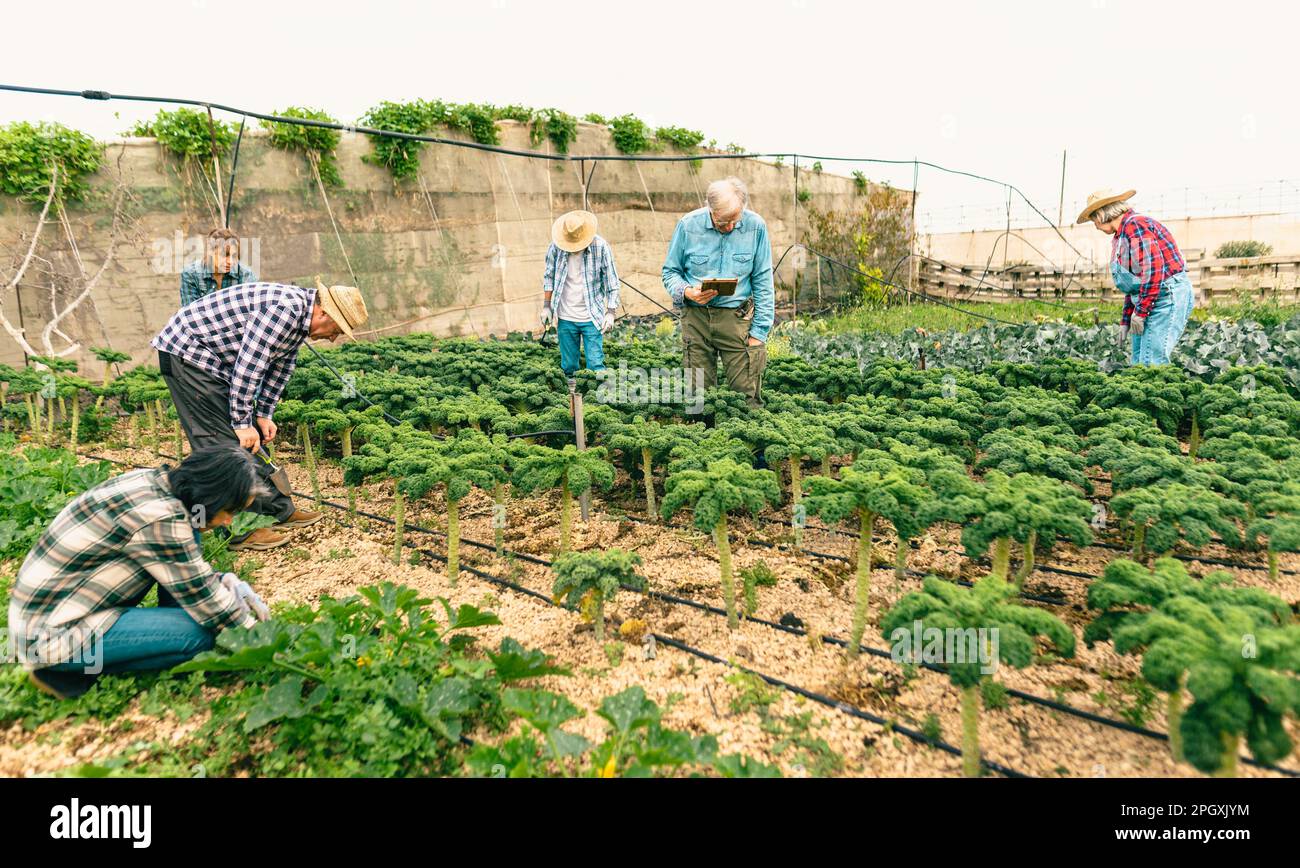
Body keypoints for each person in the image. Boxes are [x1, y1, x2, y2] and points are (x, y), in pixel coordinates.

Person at [9, 446, 275, 700]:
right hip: (51, 636)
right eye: (230, 511)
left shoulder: (159, 484)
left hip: (50, 613)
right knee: (199, 635)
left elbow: (183, 568)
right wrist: (262, 641)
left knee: (191, 532)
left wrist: (223, 581)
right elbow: (212, 608)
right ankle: (59, 670)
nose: (229, 521)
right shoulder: (161, 518)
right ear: (212, 496)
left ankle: (93, 655)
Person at [151, 280, 369, 550]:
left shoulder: (298, 319)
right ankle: (239, 530)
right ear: (323, 313)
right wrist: (242, 423)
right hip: (189, 357)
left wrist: (264, 414)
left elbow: (281, 368)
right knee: (221, 444)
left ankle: (278, 511)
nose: (333, 338)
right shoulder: (283, 310)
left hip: (214, 364)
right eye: (336, 330)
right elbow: (249, 366)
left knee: (251, 441)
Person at [661, 177, 773, 407]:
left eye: (735, 219)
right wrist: (687, 292)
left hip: (737, 319)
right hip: (696, 318)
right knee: (698, 397)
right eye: (723, 222)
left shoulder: (756, 227)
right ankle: (703, 438)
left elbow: (763, 280)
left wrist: (758, 333)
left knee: (747, 395)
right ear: (709, 208)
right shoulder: (688, 225)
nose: (730, 226)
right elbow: (670, 272)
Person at [1078, 188, 1195, 366]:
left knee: (1151, 362)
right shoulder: (1122, 234)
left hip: (1166, 296)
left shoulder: (1136, 226)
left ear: (1102, 214)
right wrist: (1127, 319)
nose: (1094, 225)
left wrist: (1140, 313)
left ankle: (1158, 393)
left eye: (1093, 219)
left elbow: (1153, 272)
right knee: (1139, 362)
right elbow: (1133, 283)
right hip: (1149, 298)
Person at [540, 210, 621, 377]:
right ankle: (573, 399)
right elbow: (549, 276)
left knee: (595, 366)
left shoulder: (600, 247)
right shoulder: (556, 247)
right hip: (565, 316)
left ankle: (596, 400)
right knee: (569, 367)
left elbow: (612, 283)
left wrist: (611, 312)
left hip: (591, 316)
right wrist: (546, 306)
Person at [179, 227, 258, 308]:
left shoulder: (245, 274)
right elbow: (190, 313)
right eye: (225, 255)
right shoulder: (191, 274)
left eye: (234, 256)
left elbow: (250, 308)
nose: (230, 261)